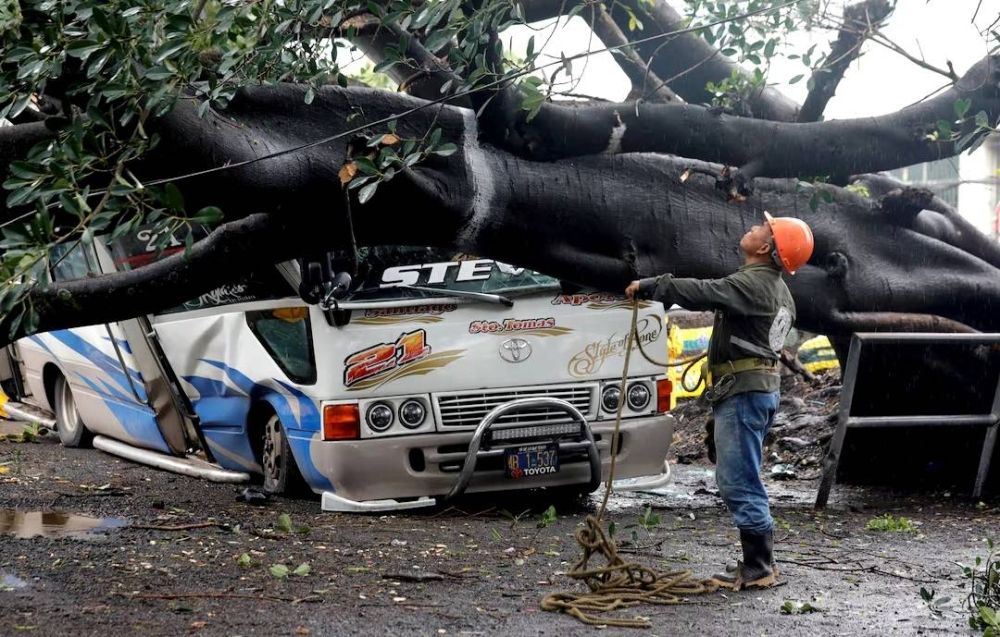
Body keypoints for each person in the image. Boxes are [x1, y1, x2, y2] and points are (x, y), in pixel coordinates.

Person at [625, 211, 814, 591]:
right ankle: (758, 563)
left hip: (745, 394)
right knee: (741, 474)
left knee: (738, 479)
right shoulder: (779, 290)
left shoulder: (754, 284)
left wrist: (653, 286)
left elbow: (705, 291)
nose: (752, 227)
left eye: (762, 228)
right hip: (752, 390)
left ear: (765, 247)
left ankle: (759, 566)